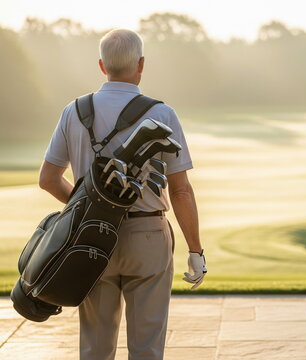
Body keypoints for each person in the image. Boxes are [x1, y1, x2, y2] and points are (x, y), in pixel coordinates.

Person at [38, 28, 207, 360]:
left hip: (91, 237)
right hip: (148, 237)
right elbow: (182, 192)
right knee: (147, 349)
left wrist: (89, 208)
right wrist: (196, 250)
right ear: (141, 64)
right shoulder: (162, 113)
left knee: (96, 349)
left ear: (102, 66)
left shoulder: (73, 111)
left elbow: (48, 179)